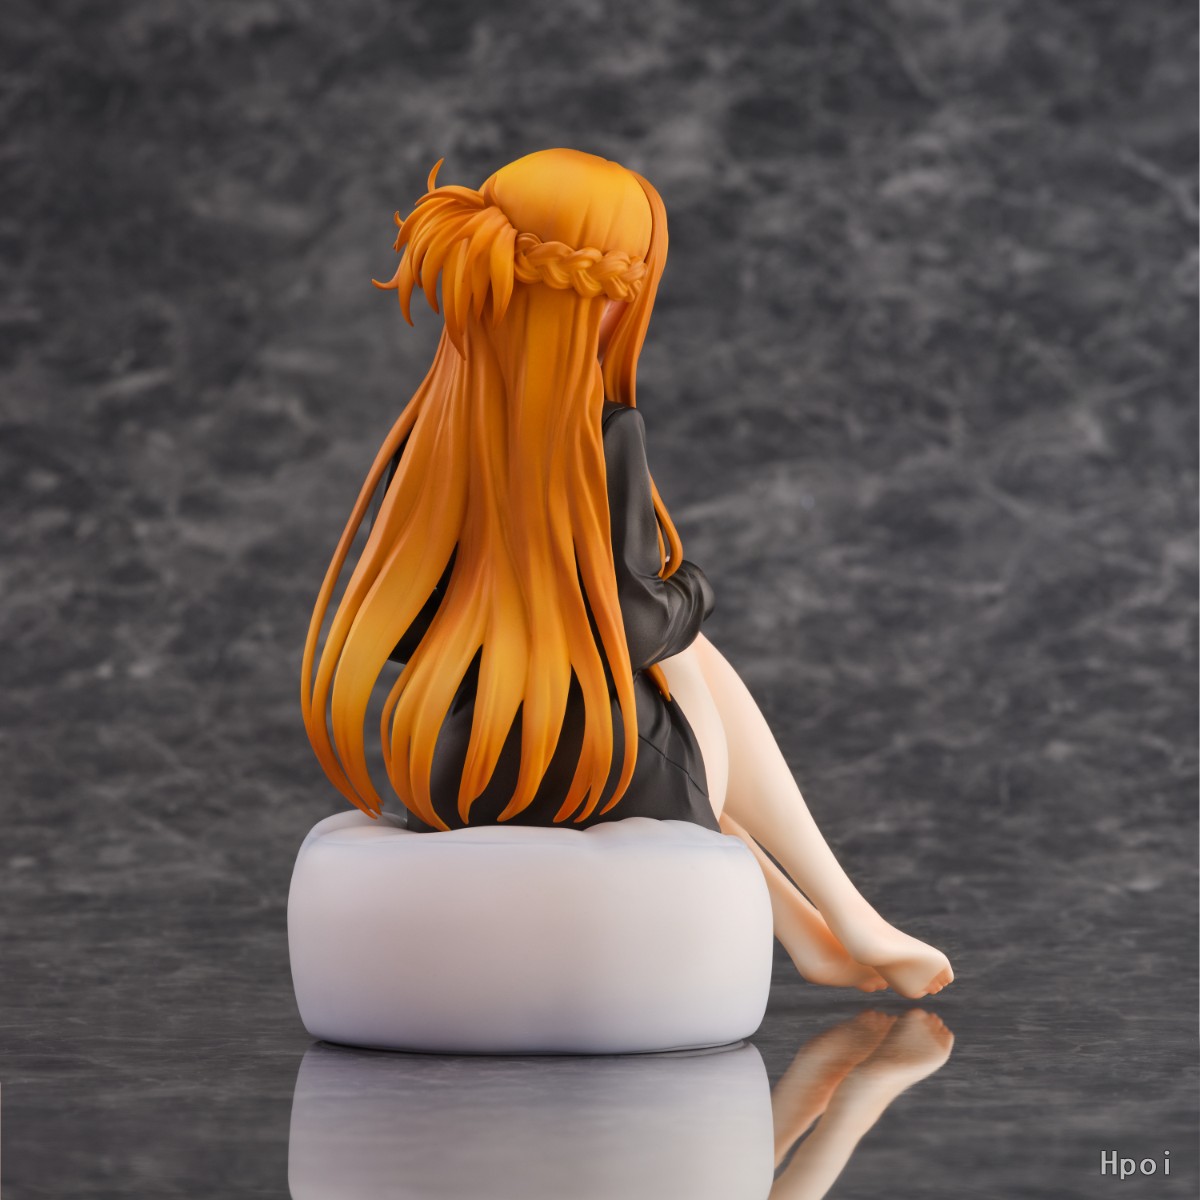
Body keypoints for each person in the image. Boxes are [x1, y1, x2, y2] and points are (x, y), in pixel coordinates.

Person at [301, 149, 953, 999]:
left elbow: (402, 633)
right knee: (684, 658)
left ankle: (815, 932)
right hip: (577, 765)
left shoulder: (429, 438)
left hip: (449, 768)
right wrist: (697, 589)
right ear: (605, 300)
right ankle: (849, 911)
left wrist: (500, 627)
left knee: (656, 713)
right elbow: (634, 626)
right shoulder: (602, 434)